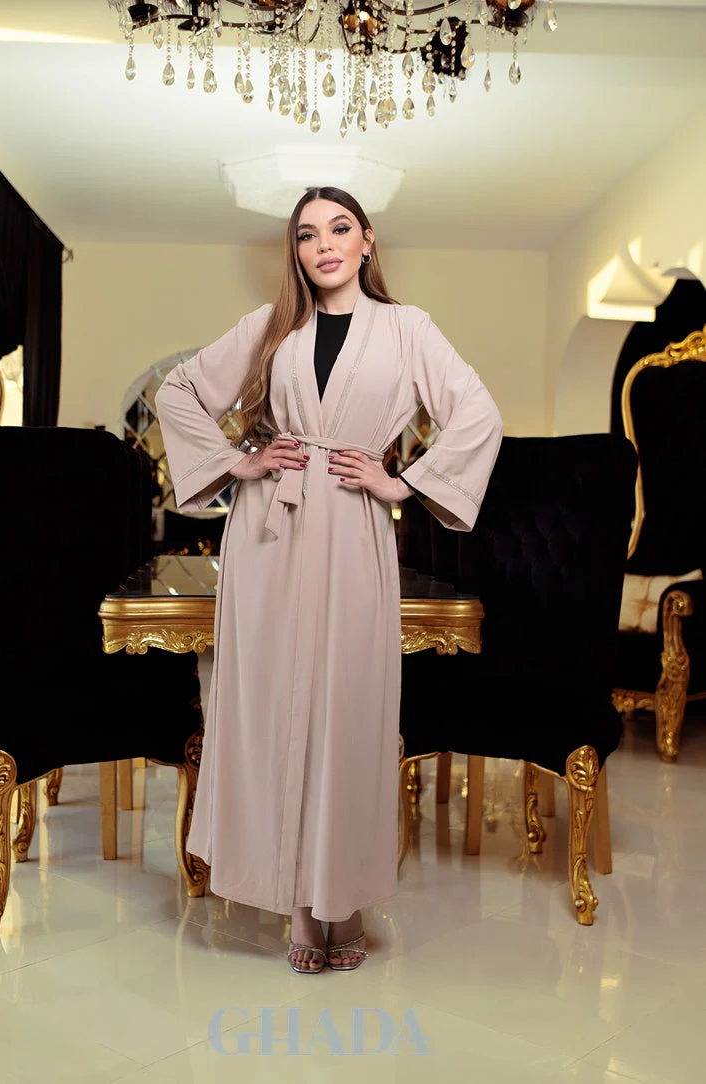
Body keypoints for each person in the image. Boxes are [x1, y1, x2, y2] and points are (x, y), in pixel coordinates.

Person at [155, 186, 503, 974]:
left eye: (339, 228)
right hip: (269, 533)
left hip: (351, 526)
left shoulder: (407, 329)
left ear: (367, 240)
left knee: (349, 707)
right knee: (274, 705)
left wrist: (400, 483)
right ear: (296, 251)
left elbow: (477, 413)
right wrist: (239, 462)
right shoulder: (271, 325)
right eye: (307, 234)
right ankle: (293, 905)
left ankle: (339, 898)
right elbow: (179, 392)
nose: (324, 245)